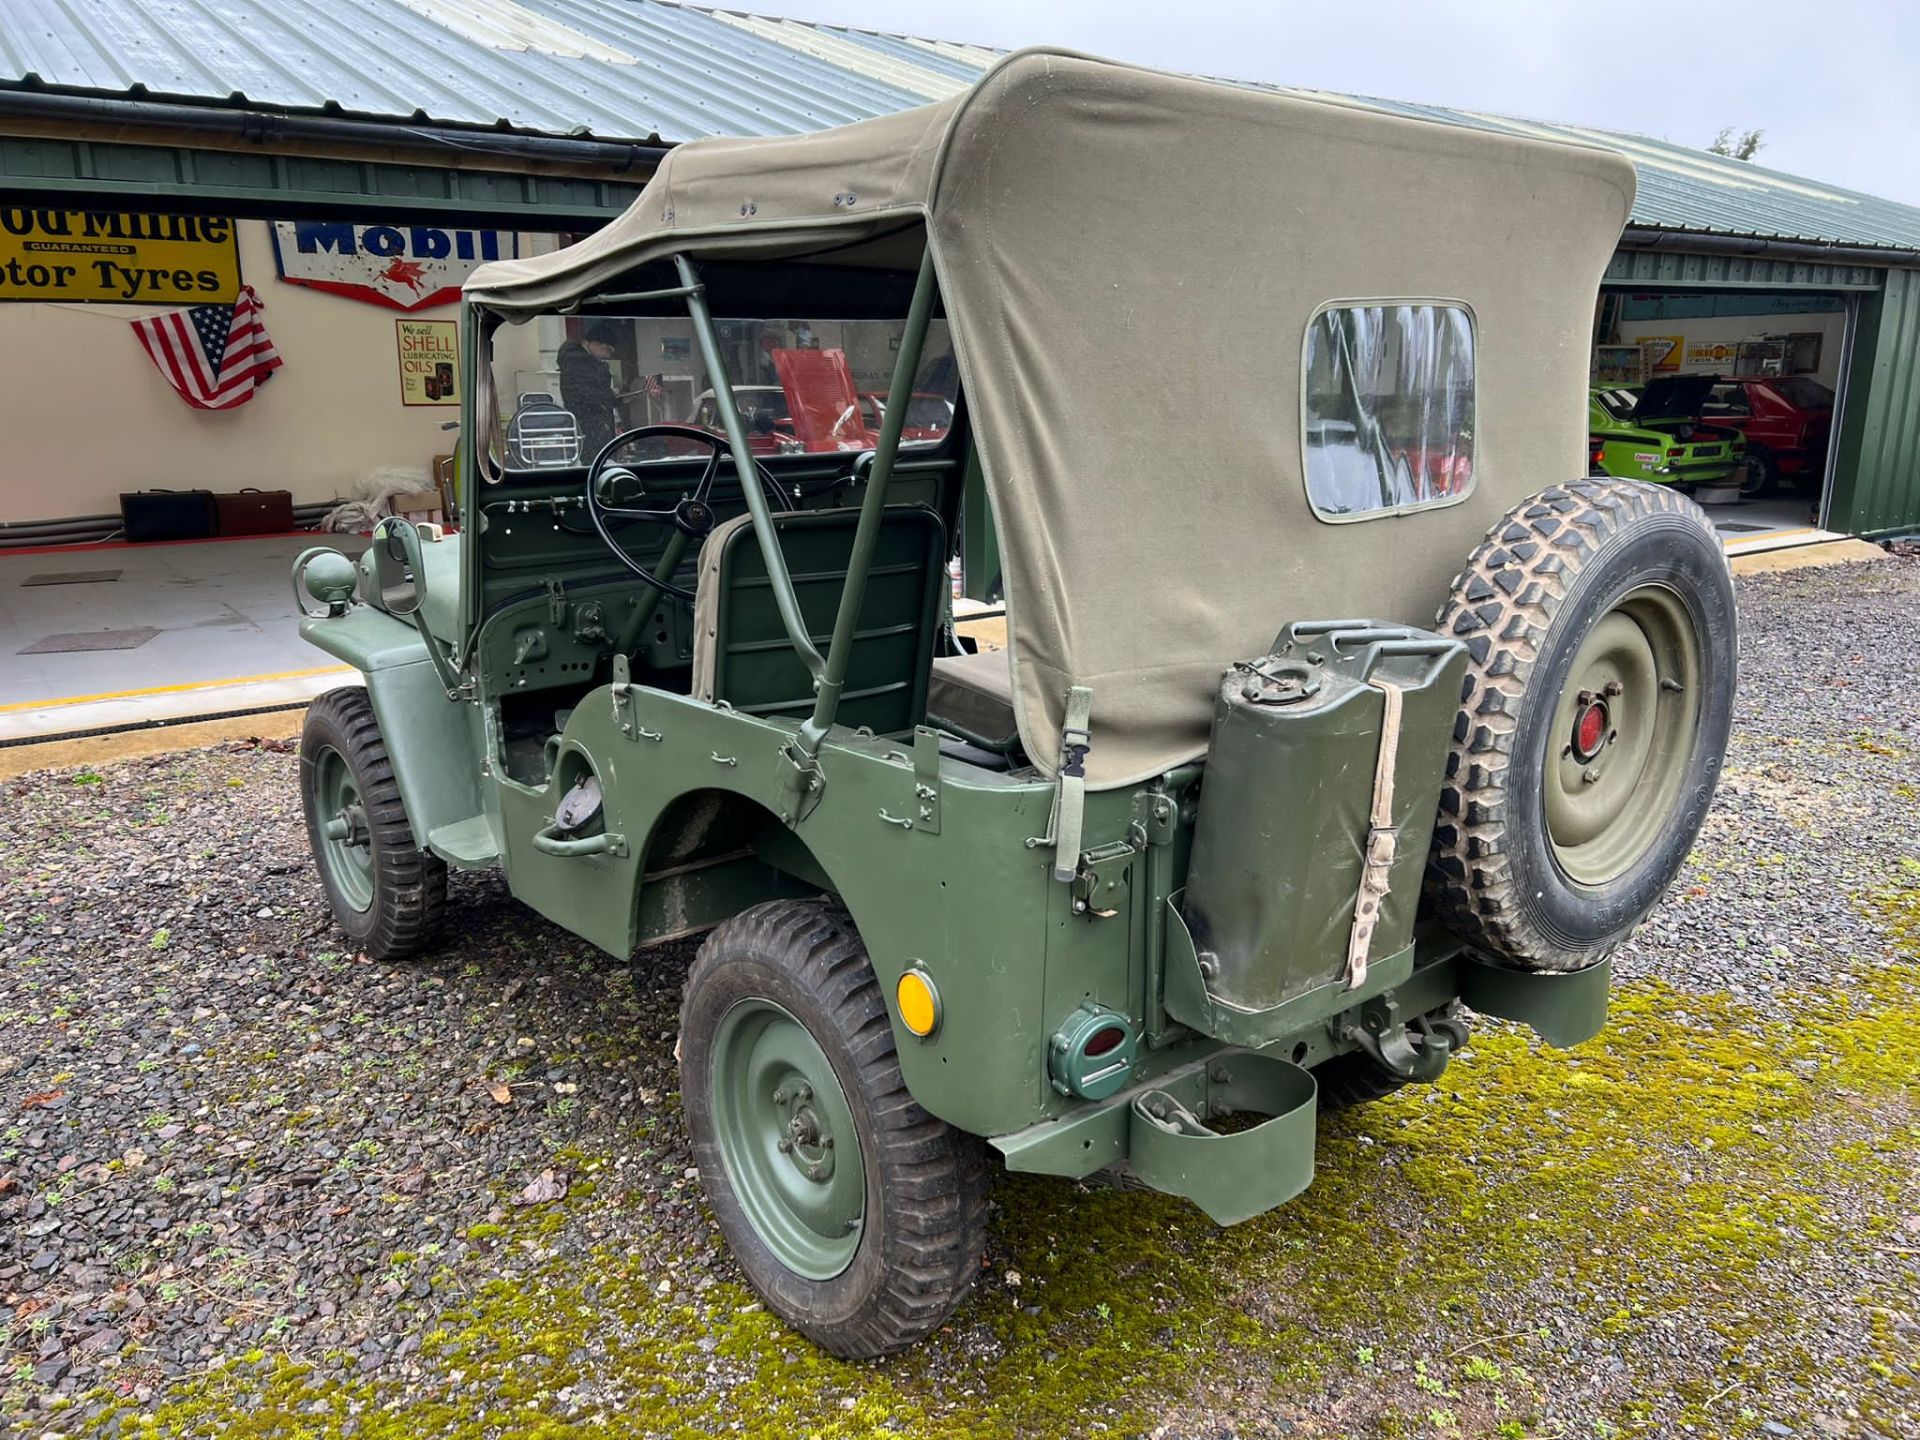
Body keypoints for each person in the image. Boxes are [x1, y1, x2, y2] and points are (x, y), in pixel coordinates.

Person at [557, 320, 620, 460]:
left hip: (592, 426)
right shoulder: (577, 363)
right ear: (592, 343)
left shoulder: (582, 362)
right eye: (607, 349)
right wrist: (610, 396)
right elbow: (582, 395)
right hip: (590, 427)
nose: (608, 355)